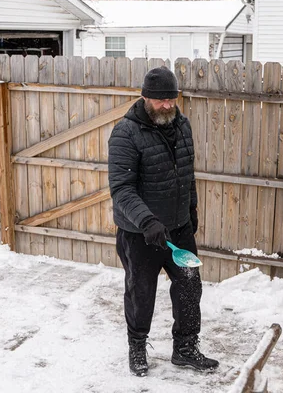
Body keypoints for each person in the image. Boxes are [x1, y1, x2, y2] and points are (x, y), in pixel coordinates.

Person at [108, 66, 219, 377]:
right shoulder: (125, 133)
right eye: (161, 101)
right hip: (139, 233)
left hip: (178, 229)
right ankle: (137, 346)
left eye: (172, 99)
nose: (168, 105)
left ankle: (185, 348)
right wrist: (147, 221)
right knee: (140, 292)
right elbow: (122, 189)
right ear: (145, 98)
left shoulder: (182, 126)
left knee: (189, 286)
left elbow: (186, 174)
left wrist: (191, 210)